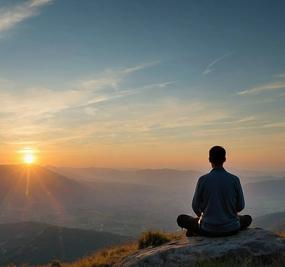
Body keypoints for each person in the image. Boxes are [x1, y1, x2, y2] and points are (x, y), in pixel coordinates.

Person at [177, 146, 252, 237]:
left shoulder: (203, 180)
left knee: (181, 219)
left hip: (208, 229)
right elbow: (240, 206)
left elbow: (195, 206)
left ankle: (195, 230)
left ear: (209, 159)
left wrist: (203, 217)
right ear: (224, 159)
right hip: (232, 229)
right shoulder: (234, 179)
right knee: (247, 218)